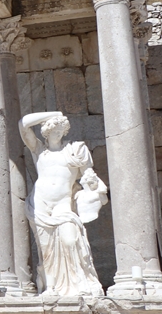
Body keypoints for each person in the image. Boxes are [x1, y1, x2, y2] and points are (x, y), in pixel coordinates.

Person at [19, 112, 106, 297]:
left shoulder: (74, 150)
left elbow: (88, 176)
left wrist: (91, 182)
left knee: (70, 240)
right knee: (46, 249)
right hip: (40, 203)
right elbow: (23, 124)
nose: (58, 134)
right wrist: (54, 114)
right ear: (46, 132)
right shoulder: (39, 150)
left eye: (61, 131)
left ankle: (80, 283)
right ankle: (50, 288)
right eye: (54, 131)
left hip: (63, 203)